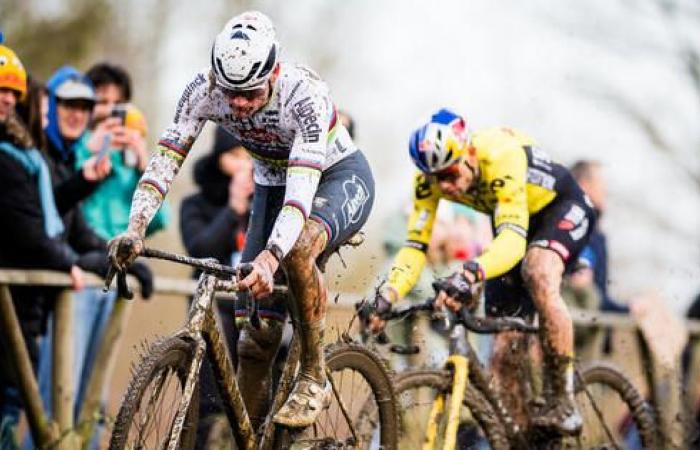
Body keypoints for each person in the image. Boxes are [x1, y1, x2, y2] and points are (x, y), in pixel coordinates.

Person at [108, 11, 374, 428]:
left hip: (334, 176)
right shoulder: (203, 90)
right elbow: (164, 161)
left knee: (297, 249)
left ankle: (313, 372)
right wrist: (134, 227)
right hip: (271, 183)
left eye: (249, 93)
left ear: (274, 71)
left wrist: (270, 258)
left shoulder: (304, 95)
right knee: (255, 338)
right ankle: (246, 437)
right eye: (230, 94)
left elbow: (300, 196)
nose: (240, 105)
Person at [367, 108, 596, 435]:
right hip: (514, 224)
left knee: (538, 270)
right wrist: (388, 294)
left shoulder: (500, 155)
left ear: (470, 154)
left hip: (561, 208)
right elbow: (415, 247)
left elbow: (514, 243)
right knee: (503, 353)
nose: (445, 187)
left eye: (451, 174)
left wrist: (471, 272)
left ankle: (563, 397)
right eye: (436, 178)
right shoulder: (428, 181)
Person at [179, 126, 253, 447]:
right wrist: (233, 209)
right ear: (219, 158)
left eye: (250, 157)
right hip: (211, 316)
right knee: (205, 405)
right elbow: (199, 250)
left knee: (257, 403)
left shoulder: (266, 208)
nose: (243, 165)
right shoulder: (195, 204)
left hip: (255, 315)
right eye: (235, 155)